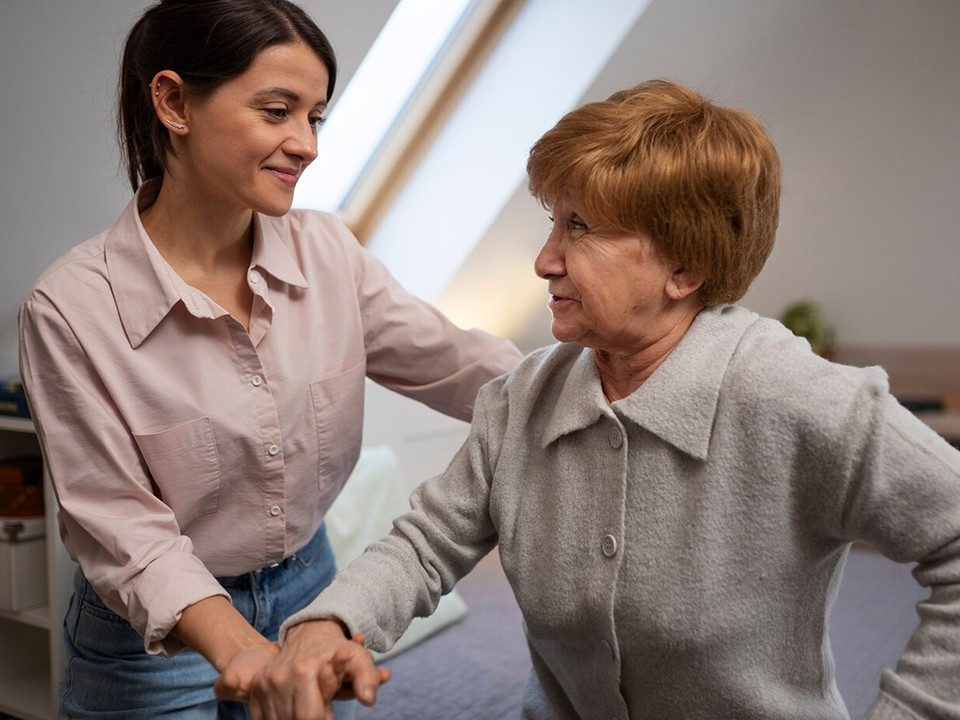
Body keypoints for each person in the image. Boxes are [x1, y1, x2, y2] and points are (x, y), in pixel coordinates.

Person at [217, 79, 960, 720]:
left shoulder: (797, 399)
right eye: (552, 221)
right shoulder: (523, 399)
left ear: (686, 265)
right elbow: (425, 544)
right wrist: (332, 621)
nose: (545, 260)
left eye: (580, 228)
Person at [17, 1, 521, 718]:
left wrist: (613, 374)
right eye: (278, 110)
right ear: (172, 102)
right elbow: (124, 530)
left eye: (315, 117)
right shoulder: (71, 309)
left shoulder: (328, 253)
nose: (307, 144)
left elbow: (458, 364)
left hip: (310, 592)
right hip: (146, 640)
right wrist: (244, 652)